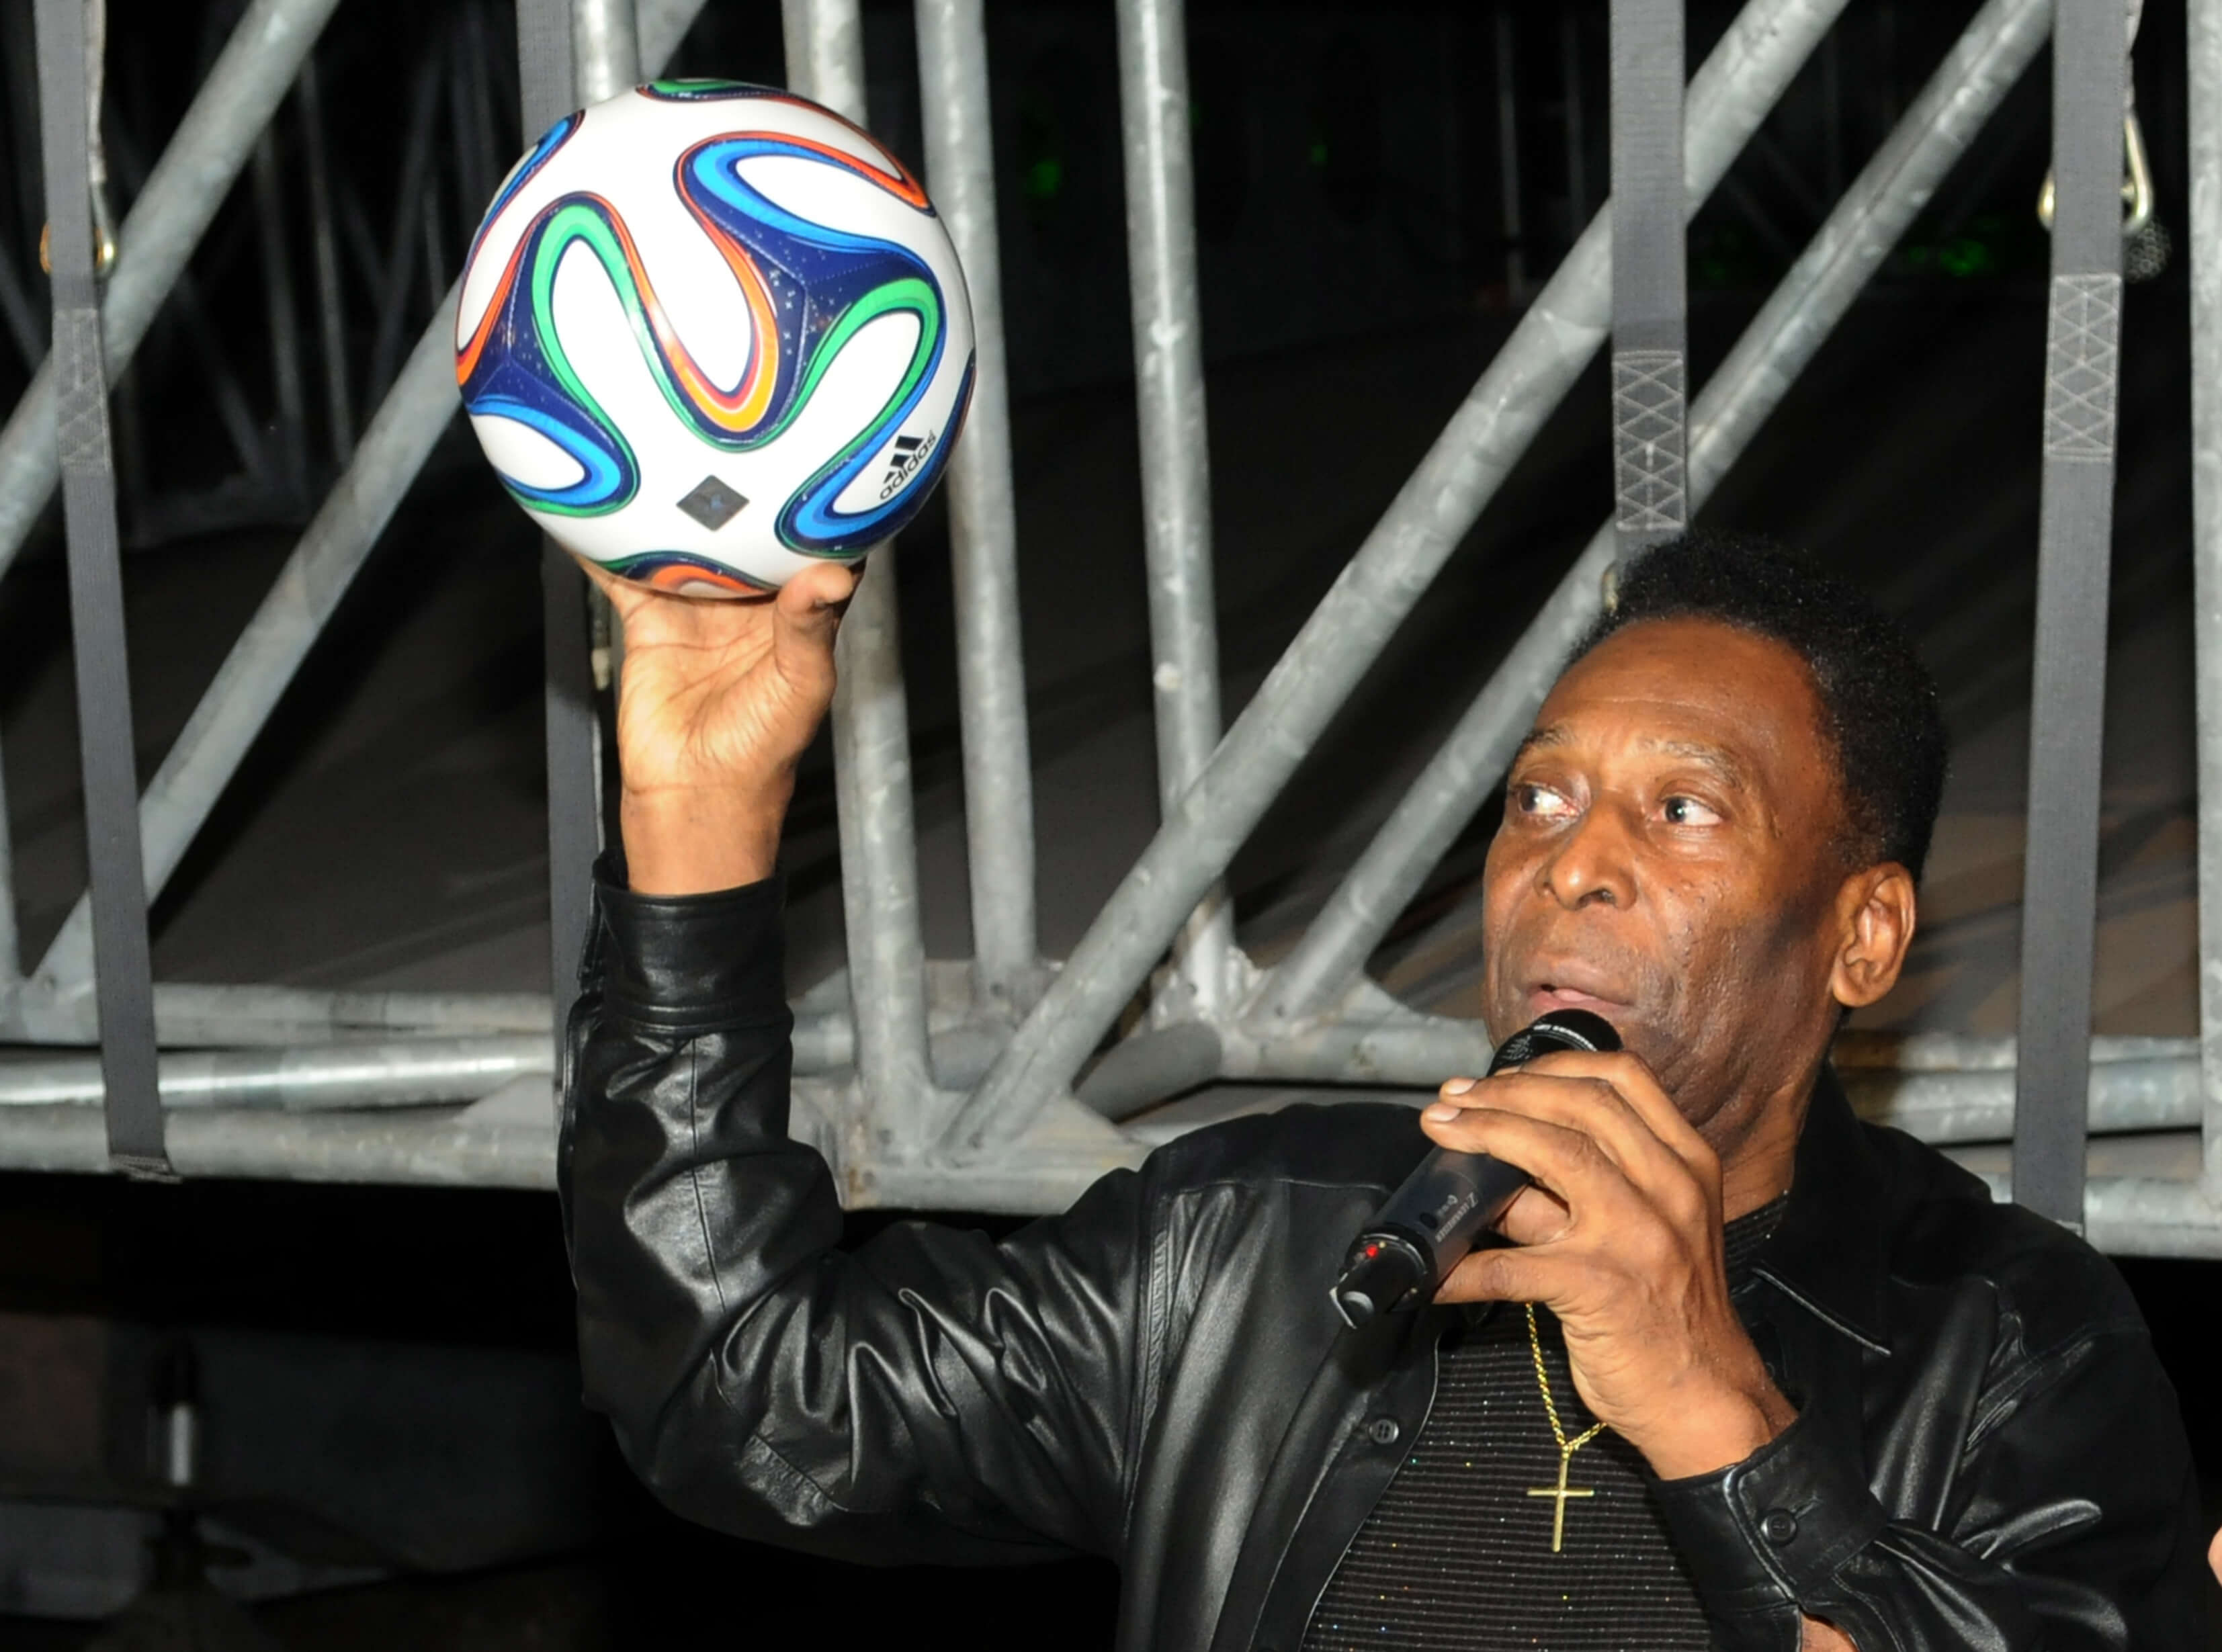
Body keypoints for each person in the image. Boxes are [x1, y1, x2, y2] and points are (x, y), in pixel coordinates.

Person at [560, 533, 2209, 1650]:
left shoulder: (2004, 1341)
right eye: (1538, 798)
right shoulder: (1249, 1248)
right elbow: (742, 1397)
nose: (1574, 867)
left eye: (1685, 812)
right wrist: (693, 819)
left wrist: (1716, 1406)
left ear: (1860, 936)